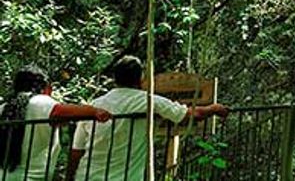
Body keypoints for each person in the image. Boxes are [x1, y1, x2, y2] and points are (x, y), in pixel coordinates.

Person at [68, 58, 228, 181]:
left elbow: (77, 150)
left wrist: (69, 177)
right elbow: (188, 114)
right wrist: (213, 109)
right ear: (140, 79)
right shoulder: (148, 101)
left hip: (86, 176)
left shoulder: (94, 106)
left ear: (115, 78)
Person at [0, 65, 111, 181]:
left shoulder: (4, 108)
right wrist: (94, 111)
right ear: (46, 88)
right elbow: (60, 111)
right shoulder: (40, 102)